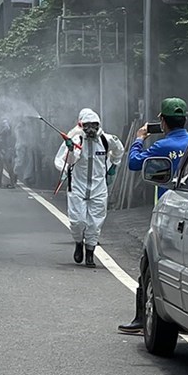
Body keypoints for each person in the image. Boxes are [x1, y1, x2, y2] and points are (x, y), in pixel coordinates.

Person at [119, 97, 188, 334]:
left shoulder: (161, 146)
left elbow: (133, 163)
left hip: (166, 213)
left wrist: (139, 139)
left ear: (163, 121)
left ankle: (143, 317)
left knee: (149, 264)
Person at [54, 108, 125, 268]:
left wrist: (113, 163)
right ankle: (79, 242)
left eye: (94, 125)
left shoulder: (107, 140)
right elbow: (69, 161)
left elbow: (119, 150)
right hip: (78, 187)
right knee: (77, 221)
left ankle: (90, 252)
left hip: (99, 189)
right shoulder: (76, 140)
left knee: (95, 222)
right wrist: (71, 149)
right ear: (81, 124)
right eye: (87, 125)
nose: (91, 129)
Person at [0, 117, 17, 189]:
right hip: (2, 150)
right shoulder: (5, 132)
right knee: (0, 166)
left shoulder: (7, 131)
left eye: (4, 124)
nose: (3, 125)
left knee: (8, 167)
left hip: (6, 150)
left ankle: (12, 183)